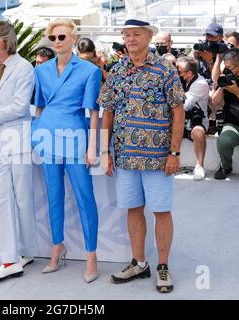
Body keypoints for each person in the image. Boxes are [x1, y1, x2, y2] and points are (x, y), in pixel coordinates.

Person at [98, 19, 185, 293]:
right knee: (133, 209)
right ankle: (139, 262)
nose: (130, 39)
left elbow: (178, 111)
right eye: (126, 34)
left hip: (158, 158)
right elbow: (108, 112)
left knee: (161, 210)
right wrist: (104, 151)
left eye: (136, 34)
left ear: (149, 37)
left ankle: (162, 266)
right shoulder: (117, 70)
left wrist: (174, 152)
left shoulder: (165, 69)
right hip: (125, 157)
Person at [32, 19, 102, 283]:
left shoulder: (88, 70)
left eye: (62, 36)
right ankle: (57, 247)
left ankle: (91, 255)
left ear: (73, 38)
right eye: (52, 38)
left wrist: (92, 147)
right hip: (47, 137)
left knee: (85, 198)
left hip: (75, 139)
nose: (57, 42)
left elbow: (93, 112)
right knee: (53, 197)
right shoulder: (41, 71)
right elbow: (39, 107)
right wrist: (35, 136)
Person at [0, 20, 37, 281]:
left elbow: (20, 107)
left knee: (23, 199)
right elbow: (1, 103)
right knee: (3, 199)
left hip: (20, 141)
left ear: (6, 40)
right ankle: (10, 258)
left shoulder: (24, 68)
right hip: (1, 141)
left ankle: (25, 252)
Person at [211, 48, 239, 182]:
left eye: (227, 67)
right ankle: (225, 167)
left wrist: (236, 91)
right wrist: (222, 86)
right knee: (223, 141)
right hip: (232, 124)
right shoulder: (225, 78)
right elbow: (214, 102)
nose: (224, 70)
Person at [177, 56, 210, 181]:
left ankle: (200, 166)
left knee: (198, 133)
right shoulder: (181, 81)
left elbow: (185, 104)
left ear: (189, 73)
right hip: (181, 119)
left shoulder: (200, 84)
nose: (176, 73)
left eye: (179, 71)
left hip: (197, 119)